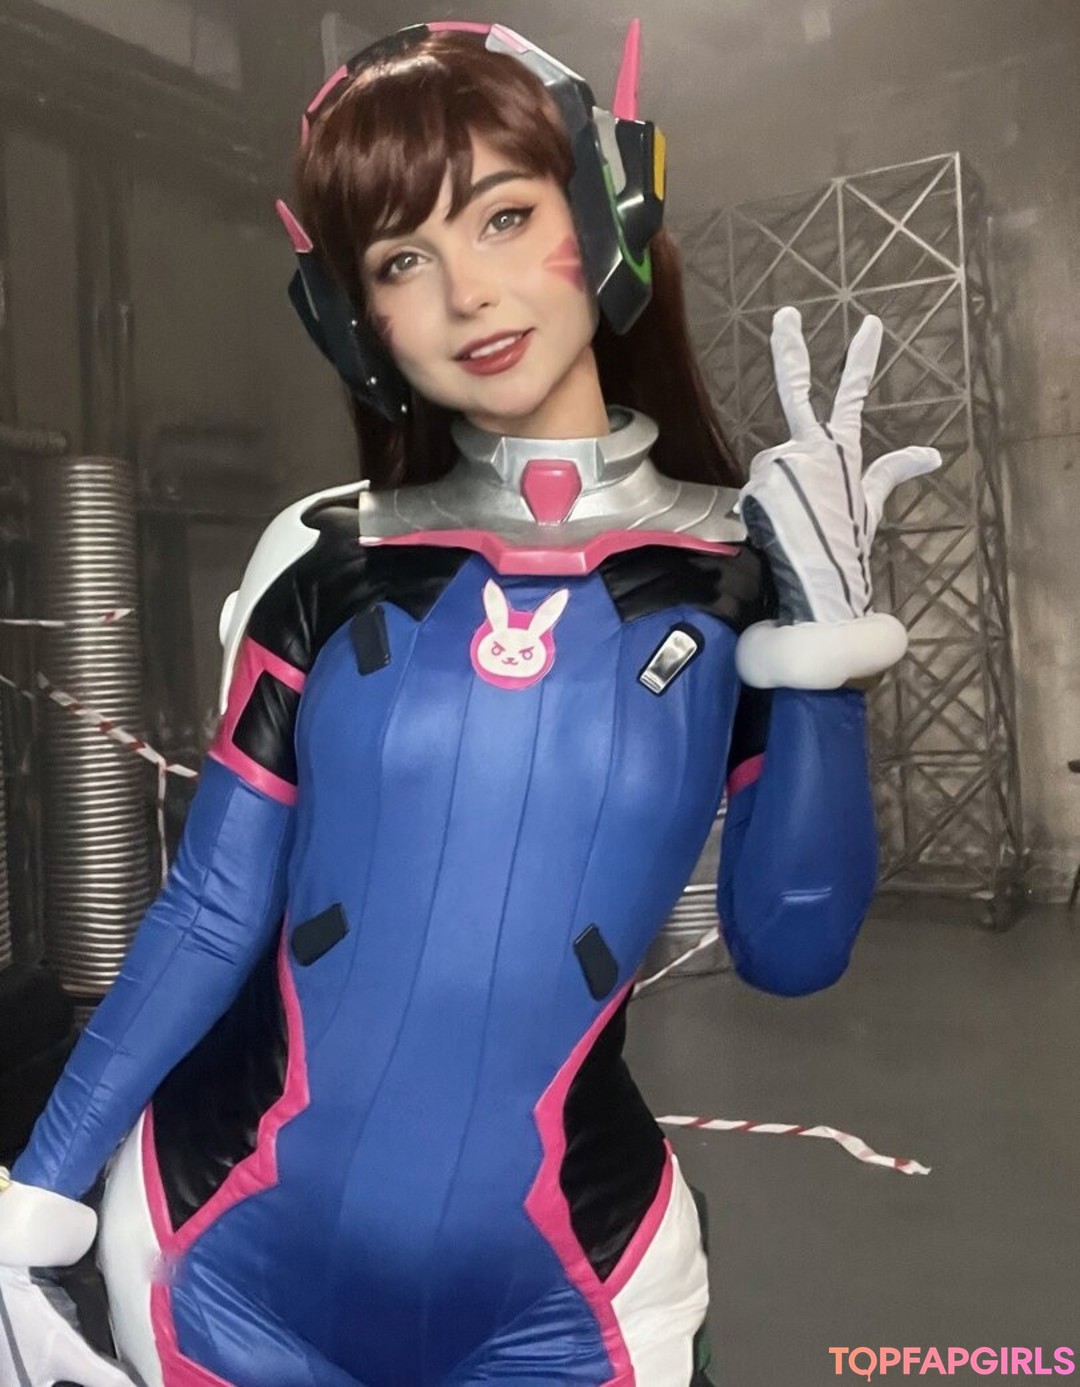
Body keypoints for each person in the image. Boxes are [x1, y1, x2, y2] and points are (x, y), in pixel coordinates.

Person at [0, 21, 939, 1387]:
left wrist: (828, 658)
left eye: (505, 216)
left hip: (572, 1295)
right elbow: (211, 913)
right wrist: (37, 1195)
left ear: (604, 214)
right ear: (352, 317)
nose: (468, 296)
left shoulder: (739, 575)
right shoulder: (323, 560)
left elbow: (794, 949)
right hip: (218, 1259)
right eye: (401, 260)